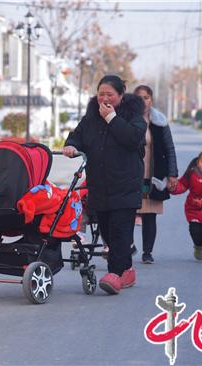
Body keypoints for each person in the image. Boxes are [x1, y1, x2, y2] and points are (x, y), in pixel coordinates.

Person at [63, 75, 146, 295]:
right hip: (99, 185)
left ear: (121, 94)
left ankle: (114, 274)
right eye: (101, 94)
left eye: (110, 94)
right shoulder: (91, 117)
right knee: (108, 232)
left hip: (126, 185)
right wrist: (71, 146)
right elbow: (77, 136)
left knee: (120, 233)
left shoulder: (134, 116)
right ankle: (127, 270)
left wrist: (112, 118)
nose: (105, 98)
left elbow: (133, 139)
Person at [133, 85, 179, 264]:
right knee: (127, 213)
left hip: (153, 174)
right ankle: (127, 247)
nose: (143, 101)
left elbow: (169, 148)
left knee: (149, 215)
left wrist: (172, 174)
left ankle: (147, 252)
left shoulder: (160, 122)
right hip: (131, 174)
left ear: (151, 100)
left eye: (146, 97)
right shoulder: (126, 119)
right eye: (139, 98)